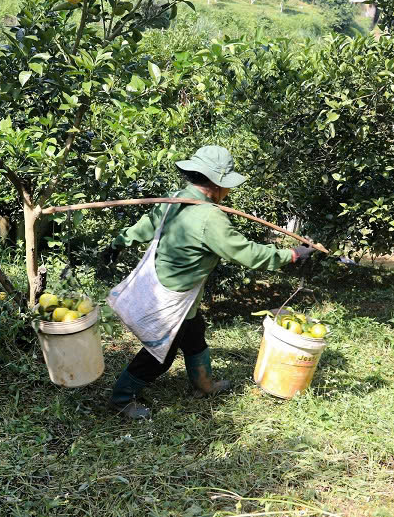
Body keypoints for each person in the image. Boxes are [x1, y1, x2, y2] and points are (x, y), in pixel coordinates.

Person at [105, 146, 317, 419]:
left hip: (177, 293)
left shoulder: (177, 199)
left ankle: (204, 384)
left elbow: (148, 223)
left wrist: (120, 242)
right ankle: (121, 399)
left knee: (194, 333)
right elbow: (247, 253)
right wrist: (291, 254)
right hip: (175, 298)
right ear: (216, 183)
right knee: (161, 355)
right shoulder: (209, 217)